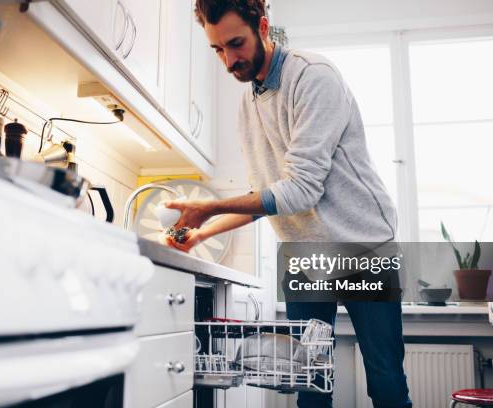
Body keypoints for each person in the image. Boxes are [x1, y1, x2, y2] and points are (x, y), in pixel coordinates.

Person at [163, 1, 411, 407]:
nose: (229, 60)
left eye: (236, 44)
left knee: (384, 377)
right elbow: (266, 196)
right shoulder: (249, 104)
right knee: (308, 382)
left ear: (262, 26)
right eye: (218, 50)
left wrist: (208, 208)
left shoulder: (313, 78)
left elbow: (301, 190)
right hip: (306, 255)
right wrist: (202, 232)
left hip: (364, 247)